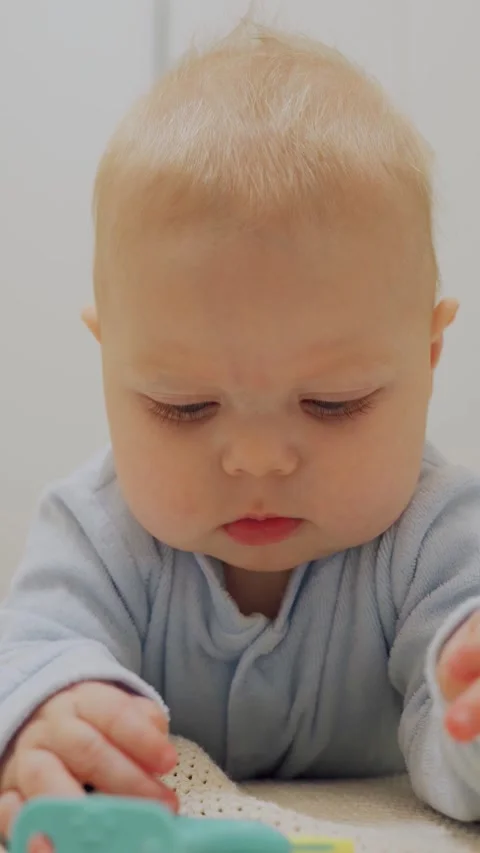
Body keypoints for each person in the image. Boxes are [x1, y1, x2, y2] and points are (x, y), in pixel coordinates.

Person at [1, 20, 480, 841]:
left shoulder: (436, 532)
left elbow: (453, 738)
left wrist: (469, 709)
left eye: (335, 401)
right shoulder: (97, 528)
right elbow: (36, 649)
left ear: (430, 354)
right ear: (110, 361)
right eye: (183, 406)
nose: (258, 457)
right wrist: (52, 716)